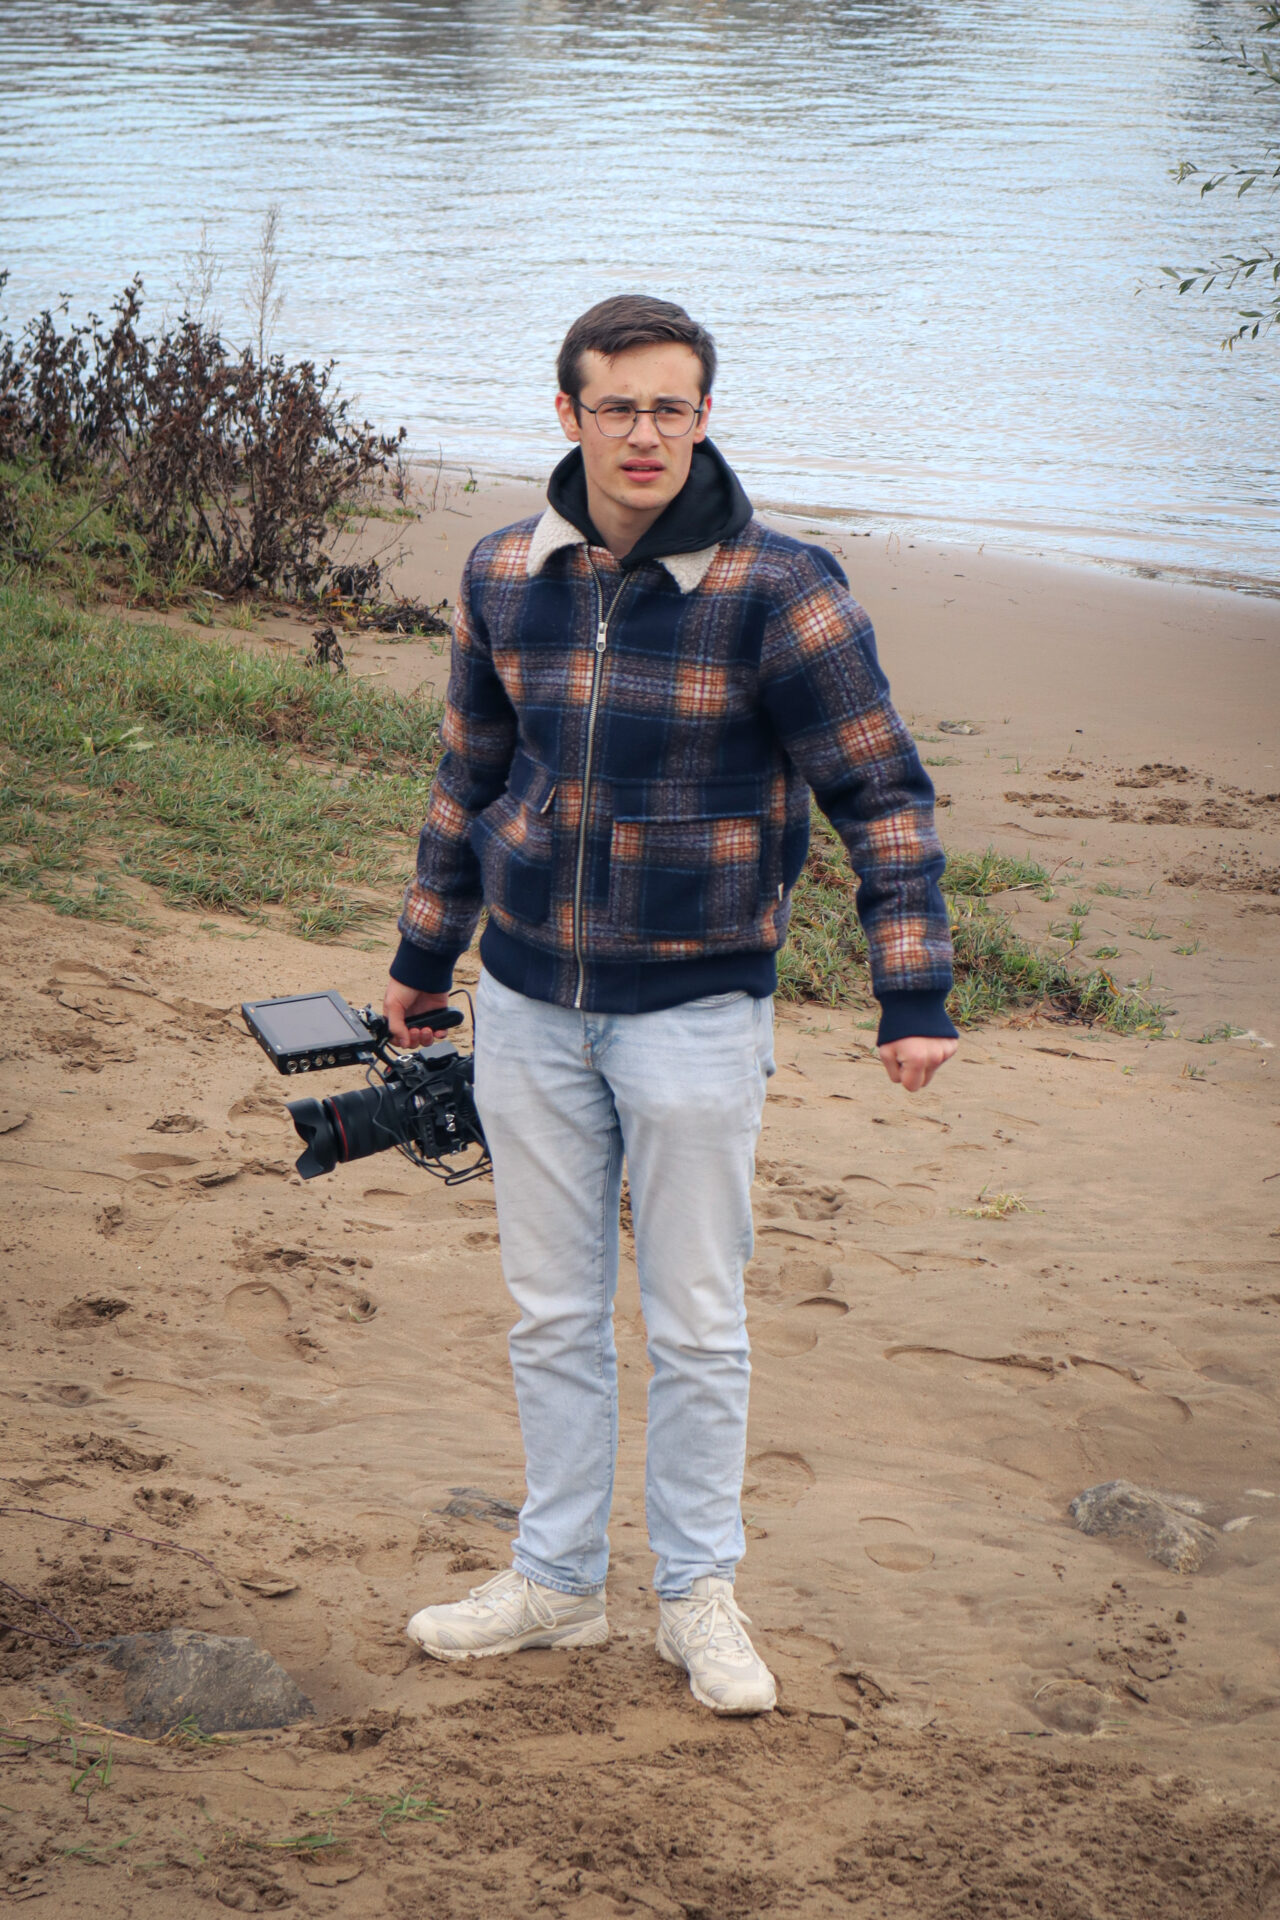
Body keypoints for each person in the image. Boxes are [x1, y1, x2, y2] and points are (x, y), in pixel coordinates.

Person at [384, 294, 956, 1715]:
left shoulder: (780, 587)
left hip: (697, 1010)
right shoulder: (505, 571)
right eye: (618, 405)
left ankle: (697, 1594)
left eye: (672, 407)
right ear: (567, 414)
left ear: (704, 417)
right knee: (550, 1316)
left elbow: (880, 789)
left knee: (697, 1324)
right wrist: (424, 956)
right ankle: (558, 1583)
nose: (645, 433)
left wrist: (912, 990)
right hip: (526, 999)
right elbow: (469, 775)